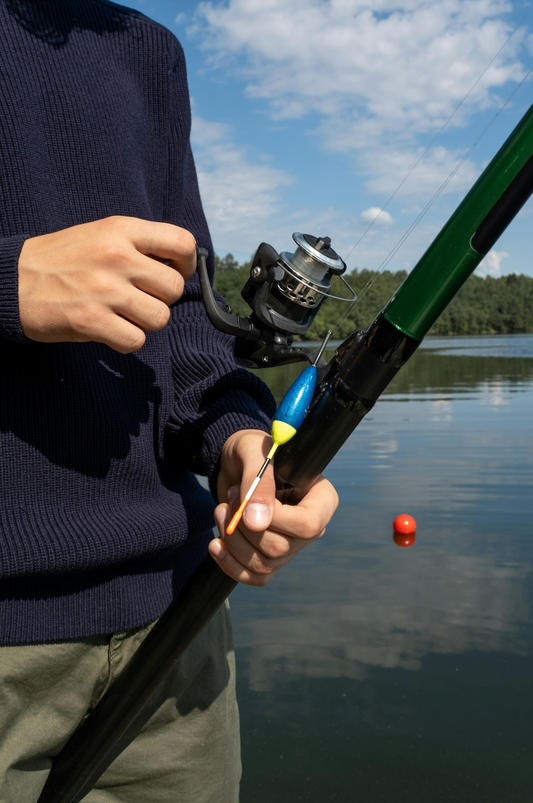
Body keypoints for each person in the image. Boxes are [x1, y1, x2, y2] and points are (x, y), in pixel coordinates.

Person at [0, 0, 338, 801]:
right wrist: (9, 284)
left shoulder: (149, 51)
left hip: (174, 635)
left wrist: (235, 439)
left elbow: (187, 328)